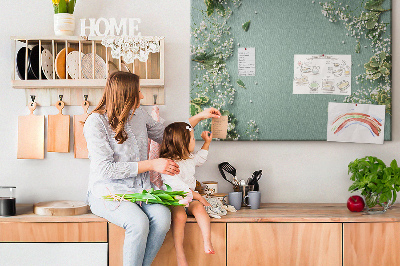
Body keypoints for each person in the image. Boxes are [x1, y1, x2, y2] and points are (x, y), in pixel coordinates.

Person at [83, 71, 221, 266]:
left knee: (163, 219)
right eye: (138, 91)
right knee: (138, 224)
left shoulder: (139, 114)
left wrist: (199, 117)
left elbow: (169, 136)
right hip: (108, 193)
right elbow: (105, 169)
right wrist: (152, 164)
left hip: (142, 191)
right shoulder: (96, 123)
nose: (142, 96)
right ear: (126, 95)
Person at [159, 122, 214, 266]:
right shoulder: (168, 163)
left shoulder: (188, 158)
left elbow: (200, 159)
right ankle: (180, 253)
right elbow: (178, 187)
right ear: (182, 143)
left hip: (190, 198)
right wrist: (199, 196)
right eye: (193, 138)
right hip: (175, 198)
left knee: (200, 210)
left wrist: (207, 143)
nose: (195, 141)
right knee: (180, 216)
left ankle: (207, 241)